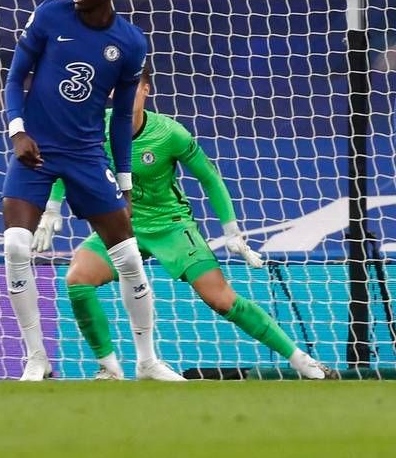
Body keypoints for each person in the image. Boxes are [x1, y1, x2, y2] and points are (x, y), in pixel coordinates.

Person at [33, 65, 335, 380]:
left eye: (132, 86)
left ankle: (302, 360)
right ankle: (109, 368)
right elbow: (68, 164)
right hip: (120, 226)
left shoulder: (170, 133)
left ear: (146, 90)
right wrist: (52, 208)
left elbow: (209, 178)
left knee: (221, 299)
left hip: (171, 226)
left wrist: (231, 231)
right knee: (77, 279)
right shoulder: (95, 129)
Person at [2, 0, 182, 381]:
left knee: (127, 257)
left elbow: (122, 118)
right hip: (37, 152)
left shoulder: (130, 42)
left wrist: (123, 183)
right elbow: (14, 77)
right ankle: (36, 358)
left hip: (86, 156)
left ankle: (147, 361)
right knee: (15, 246)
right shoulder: (49, 15)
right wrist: (17, 130)